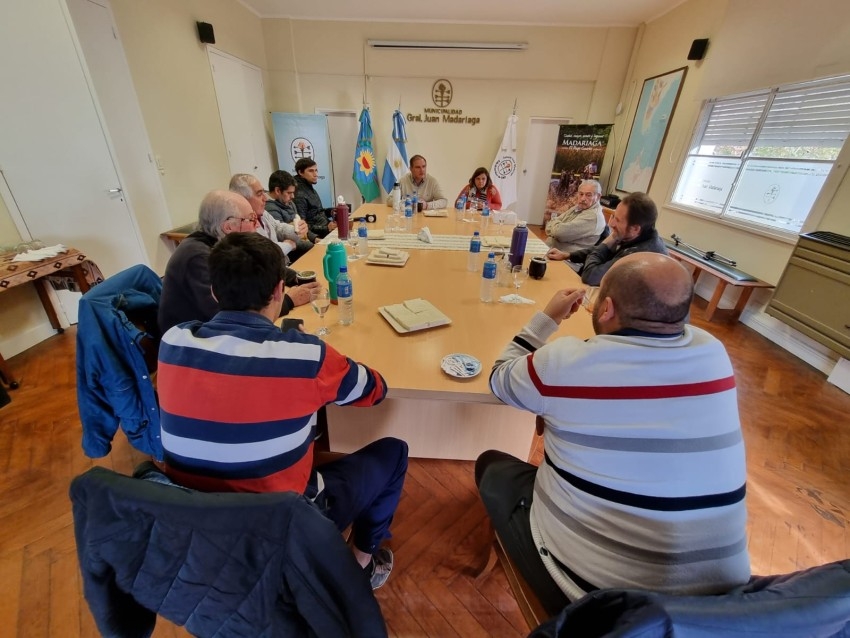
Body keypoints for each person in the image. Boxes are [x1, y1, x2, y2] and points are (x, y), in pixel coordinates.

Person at [476, 252, 750, 617]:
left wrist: (547, 318)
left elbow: (499, 378)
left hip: (599, 602)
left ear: (605, 309)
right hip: (718, 607)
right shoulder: (715, 354)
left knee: (491, 465)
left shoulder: (565, 363)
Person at [157, 232, 409, 590]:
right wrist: (313, 351)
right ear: (279, 291)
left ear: (214, 292)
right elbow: (375, 390)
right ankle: (361, 568)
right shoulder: (305, 357)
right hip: (281, 529)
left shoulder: (172, 342)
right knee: (395, 453)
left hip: (198, 526)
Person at [157, 190, 318, 334]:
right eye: (251, 219)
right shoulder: (197, 257)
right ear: (228, 226)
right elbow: (231, 315)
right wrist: (288, 300)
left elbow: (262, 263)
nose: (256, 225)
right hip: (193, 347)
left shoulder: (225, 244)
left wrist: (295, 277)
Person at [546, 191, 667, 286]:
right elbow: (603, 251)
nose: (611, 224)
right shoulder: (634, 234)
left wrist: (606, 242)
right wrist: (568, 255)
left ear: (635, 228)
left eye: (618, 220)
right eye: (613, 216)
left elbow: (590, 276)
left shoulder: (639, 254)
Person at [229, 173, 310, 263]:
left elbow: (277, 227)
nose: (265, 198)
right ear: (243, 199)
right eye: (259, 194)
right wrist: (288, 245)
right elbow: (262, 253)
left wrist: (297, 230)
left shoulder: (263, 212)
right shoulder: (240, 223)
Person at [265, 169, 320, 258]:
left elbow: (301, 228)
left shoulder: (289, 202)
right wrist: (313, 247)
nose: (293, 196)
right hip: (294, 255)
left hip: (305, 247)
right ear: (278, 190)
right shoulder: (270, 210)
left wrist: (315, 238)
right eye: (289, 193)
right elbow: (285, 239)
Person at [543, 179, 607, 253]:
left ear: (598, 196)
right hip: (551, 250)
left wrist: (555, 226)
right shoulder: (579, 207)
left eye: (588, 195)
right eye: (581, 194)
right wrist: (555, 226)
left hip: (566, 260)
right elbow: (548, 225)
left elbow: (559, 233)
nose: (583, 199)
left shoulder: (593, 216)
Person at [293, 158, 337, 238]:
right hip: (319, 237)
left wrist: (332, 211)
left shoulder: (309, 188)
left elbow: (318, 212)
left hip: (327, 231)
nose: (315, 174)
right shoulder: (299, 194)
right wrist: (326, 228)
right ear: (300, 172)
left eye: (316, 170)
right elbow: (303, 226)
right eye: (311, 171)